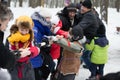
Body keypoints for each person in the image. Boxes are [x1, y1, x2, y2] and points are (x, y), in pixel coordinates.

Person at [0, 3, 31, 71]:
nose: (5, 28)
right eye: (6, 24)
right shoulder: (11, 37)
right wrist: (19, 54)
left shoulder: (30, 37)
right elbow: (4, 58)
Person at [7, 15, 39, 80]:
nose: (24, 32)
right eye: (22, 30)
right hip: (13, 67)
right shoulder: (11, 38)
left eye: (26, 30)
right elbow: (6, 52)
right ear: (17, 28)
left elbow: (37, 49)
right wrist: (17, 53)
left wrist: (29, 52)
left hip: (27, 66)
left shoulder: (31, 38)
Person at [31, 11, 55, 80]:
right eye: (48, 18)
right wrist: (44, 41)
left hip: (40, 53)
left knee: (48, 68)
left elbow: (43, 35)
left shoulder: (43, 25)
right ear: (42, 18)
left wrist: (49, 37)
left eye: (50, 18)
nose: (49, 20)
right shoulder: (35, 27)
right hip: (34, 56)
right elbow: (34, 38)